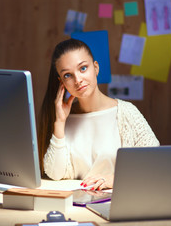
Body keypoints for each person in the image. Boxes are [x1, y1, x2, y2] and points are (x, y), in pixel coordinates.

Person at [38, 38, 159, 191]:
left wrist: (116, 180)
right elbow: (55, 174)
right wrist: (60, 122)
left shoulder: (126, 112)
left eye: (83, 68)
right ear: (61, 82)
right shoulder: (62, 119)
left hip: (115, 204)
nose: (78, 80)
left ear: (96, 68)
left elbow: (154, 165)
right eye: (68, 75)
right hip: (75, 205)